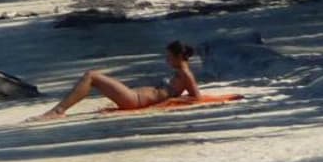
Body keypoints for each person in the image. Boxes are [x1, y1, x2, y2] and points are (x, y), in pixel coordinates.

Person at [31, 40, 200, 121]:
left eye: (169, 56)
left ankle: (58, 111)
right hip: (134, 97)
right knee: (92, 75)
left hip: (135, 100)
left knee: (92, 75)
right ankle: (58, 110)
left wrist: (170, 102)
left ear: (179, 56)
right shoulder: (179, 71)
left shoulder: (186, 74)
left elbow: (196, 97)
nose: (166, 59)